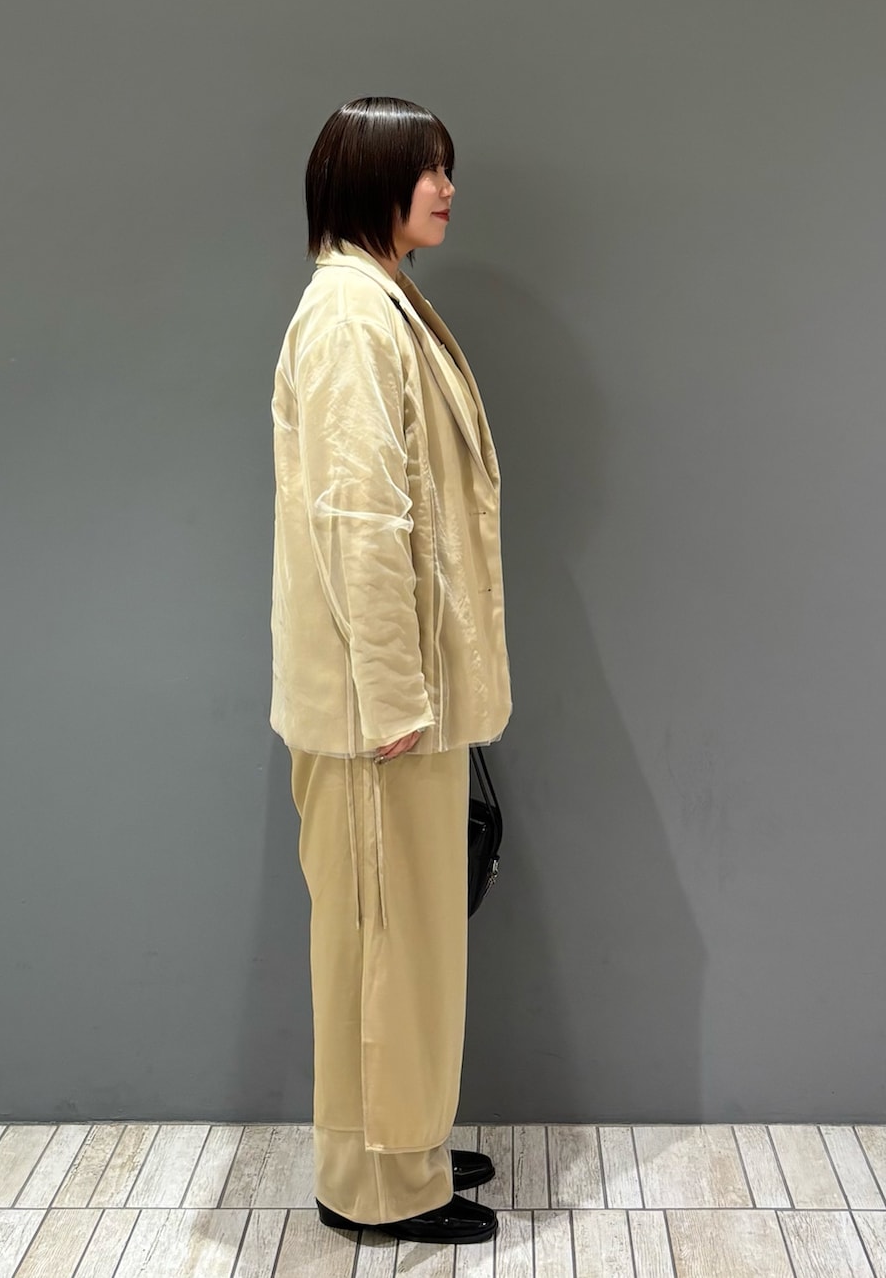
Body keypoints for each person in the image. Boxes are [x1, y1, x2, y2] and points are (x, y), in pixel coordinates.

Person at [269, 96, 512, 1245]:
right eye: (427, 170)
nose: (447, 189)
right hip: (381, 709)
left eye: (447, 168)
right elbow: (359, 519)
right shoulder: (350, 318)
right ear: (371, 181)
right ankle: (373, 1184)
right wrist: (397, 695)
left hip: (398, 697)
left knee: (406, 940)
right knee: (381, 942)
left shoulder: (378, 298)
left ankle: (401, 1144)